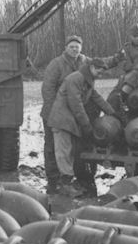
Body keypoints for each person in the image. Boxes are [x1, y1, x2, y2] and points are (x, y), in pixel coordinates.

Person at [47, 58, 117, 197]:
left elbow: (96, 98)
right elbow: (76, 104)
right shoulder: (76, 78)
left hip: (70, 121)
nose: (100, 74)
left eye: (102, 72)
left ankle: (68, 183)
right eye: (98, 70)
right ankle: (64, 186)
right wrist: (86, 126)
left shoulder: (87, 80)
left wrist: (113, 113)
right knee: (64, 152)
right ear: (91, 67)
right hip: (62, 120)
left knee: (70, 152)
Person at [41, 35, 88, 193]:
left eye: (77, 47)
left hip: (73, 113)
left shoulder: (84, 62)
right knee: (52, 147)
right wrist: (53, 111)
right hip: (54, 112)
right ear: (66, 48)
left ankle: (69, 178)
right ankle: (53, 179)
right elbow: (47, 89)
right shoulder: (56, 64)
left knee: (72, 146)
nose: (75, 49)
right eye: (71, 47)